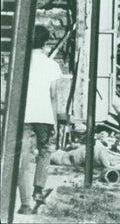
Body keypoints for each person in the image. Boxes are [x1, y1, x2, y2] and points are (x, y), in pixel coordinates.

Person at [17, 25, 63, 215]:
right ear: (45, 43)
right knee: (45, 151)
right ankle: (38, 191)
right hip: (44, 115)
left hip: (24, 114)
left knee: (23, 158)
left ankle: (25, 203)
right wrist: (55, 122)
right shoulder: (52, 65)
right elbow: (53, 96)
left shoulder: (20, 62)